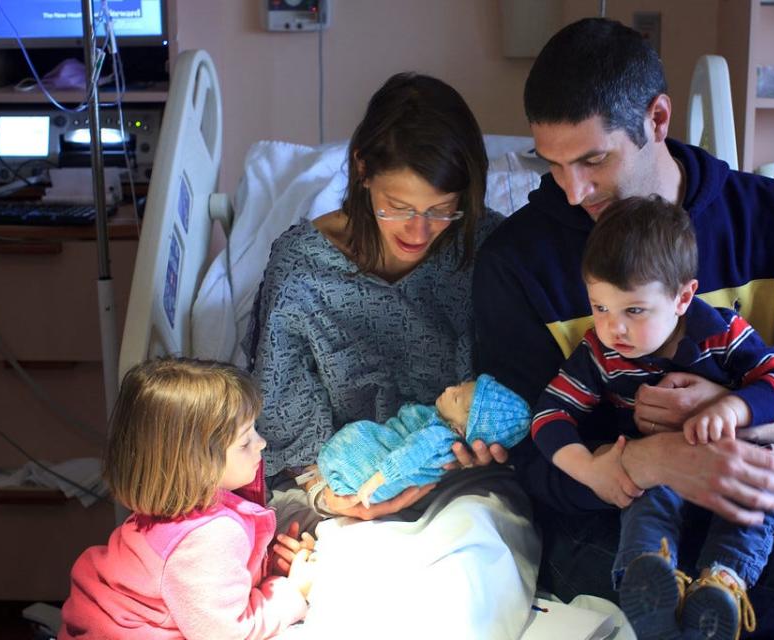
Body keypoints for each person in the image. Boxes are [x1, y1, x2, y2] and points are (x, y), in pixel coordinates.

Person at [474, 17, 774, 640]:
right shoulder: (518, 263)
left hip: (730, 506)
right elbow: (524, 457)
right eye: (552, 164)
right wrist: (652, 461)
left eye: (594, 160)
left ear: (658, 119)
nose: (573, 192)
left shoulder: (768, 220)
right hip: (597, 520)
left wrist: (740, 411)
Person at [241, 72, 538, 639]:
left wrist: (488, 445)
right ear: (361, 170)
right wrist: (336, 499)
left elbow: (519, 391)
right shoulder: (303, 270)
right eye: (399, 206)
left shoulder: (487, 253)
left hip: (459, 486)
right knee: (339, 592)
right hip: (331, 488)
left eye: (442, 210)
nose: (420, 230)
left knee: (461, 588)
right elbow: (282, 427)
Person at [533, 196, 774, 638]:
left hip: (731, 472)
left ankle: (721, 588)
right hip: (659, 475)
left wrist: (733, 406)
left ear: (683, 297)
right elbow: (549, 414)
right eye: (600, 308)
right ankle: (648, 582)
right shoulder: (599, 352)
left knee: (756, 508)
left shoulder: (722, 332)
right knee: (643, 501)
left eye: (634, 310)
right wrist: (589, 468)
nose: (613, 328)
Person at [59, 358, 315, 639]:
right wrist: (290, 591)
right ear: (196, 464)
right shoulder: (210, 535)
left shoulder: (172, 508)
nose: (261, 443)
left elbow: (201, 588)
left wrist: (268, 568)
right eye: (244, 441)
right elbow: (229, 634)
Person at [318, 374, 529, 507]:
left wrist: (375, 481)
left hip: (377, 473)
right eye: (458, 386)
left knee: (361, 442)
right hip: (372, 464)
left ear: (461, 430)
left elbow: (408, 455)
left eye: (456, 397)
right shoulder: (439, 421)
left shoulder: (439, 437)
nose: (449, 389)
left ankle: (342, 475)